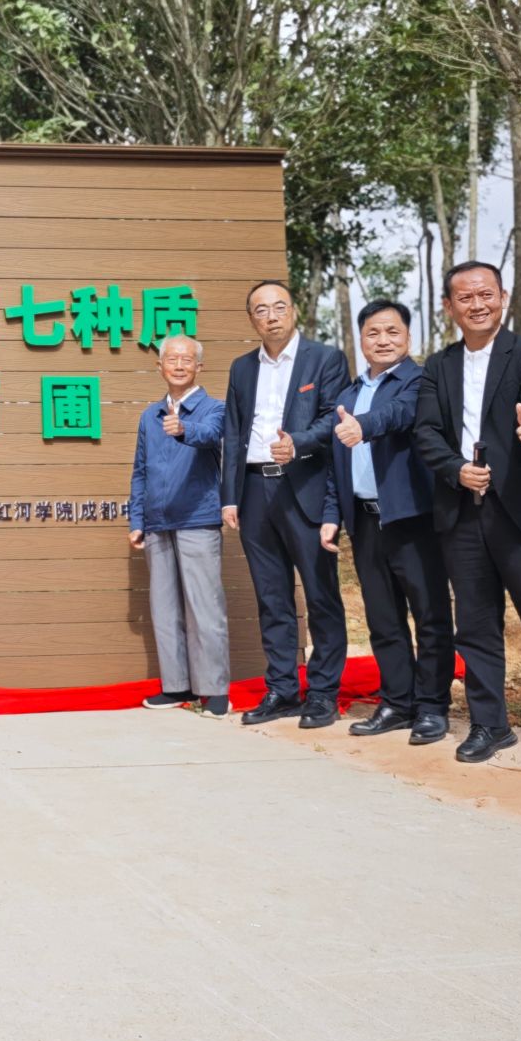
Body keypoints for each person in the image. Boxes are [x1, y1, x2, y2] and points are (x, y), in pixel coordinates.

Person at [415, 261, 521, 771]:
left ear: (503, 297)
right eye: (465, 297)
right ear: (449, 307)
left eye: (486, 294)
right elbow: (426, 432)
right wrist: (456, 469)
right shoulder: (438, 366)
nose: (477, 304)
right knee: (475, 626)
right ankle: (490, 723)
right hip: (463, 511)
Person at [320, 299, 456, 744]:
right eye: (373, 333)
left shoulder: (421, 382)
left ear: (408, 337)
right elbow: (334, 465)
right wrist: (331, 516)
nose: (383, 340)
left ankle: (432, 706)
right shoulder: (347, 394)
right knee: (383, 618)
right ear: (360, 340)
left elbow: (399, 414)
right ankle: (398, 702)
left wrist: (364, 424)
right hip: (364, 521)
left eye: (392, 331)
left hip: (413, 518)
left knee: (430, 615)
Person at [219, 280, 350, 727]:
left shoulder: (325, 359)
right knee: (271, 596)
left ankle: (323, 693)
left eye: (279, 307)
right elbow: (233, 431)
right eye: (261, 310)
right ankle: (282, 689)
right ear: (251, 319)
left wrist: (298, 443)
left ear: (293, 311)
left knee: (320, 595)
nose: (271, 316)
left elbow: (333, 418)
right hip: (255, 491)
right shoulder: (242, 368)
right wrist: (230, 497)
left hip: (305, 487)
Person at [128, 336, 232, 716]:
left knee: (205, 608)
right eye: (171, 359)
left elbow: (212, 435)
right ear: (160, 367)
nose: (179, 365)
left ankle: (215, 691)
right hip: (157, 523)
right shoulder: (149, 416)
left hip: (197, 520)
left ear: (199, 367)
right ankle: (176, 687)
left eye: (187, 359)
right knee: (165, 609)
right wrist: (137, 520)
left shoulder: (214, 409)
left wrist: (184, 429)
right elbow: (140, 471)